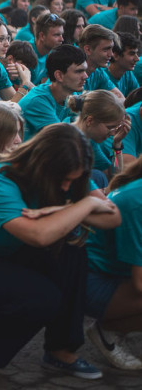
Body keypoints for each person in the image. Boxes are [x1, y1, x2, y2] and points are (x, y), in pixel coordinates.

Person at [0, 124, 120, 377]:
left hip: (11, 252)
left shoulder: (69, 171)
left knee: (72, 249)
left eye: (72, 181)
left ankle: (61, 350)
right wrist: (86, 204)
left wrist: (67, 208)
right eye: (63, 180)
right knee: (43, 298)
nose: (67, 187)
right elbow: (38, 235)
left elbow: (112, 217)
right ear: (42, 165)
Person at [85, 157, 142, 370]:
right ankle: (107, 330)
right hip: (95, 281)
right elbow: (140, 284)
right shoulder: (137, 201)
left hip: (119, 273)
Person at [19, 45, 88, 140]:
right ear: (59, 75)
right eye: (79, 71)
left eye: (85, 70)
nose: (85, 76)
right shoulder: (38, 101)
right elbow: (61, 139)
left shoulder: (71, 95)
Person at [68, 90, 129, 183]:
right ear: (90, 120)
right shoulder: (64, 139)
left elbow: (113, 176)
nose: (113, 133)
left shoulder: (88, 140)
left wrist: (117, 146)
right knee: (97, 176)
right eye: (110, 127)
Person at [79, 24, 123, 99]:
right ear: (88, 50)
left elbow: (120, 98)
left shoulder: (98, 72)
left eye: (111, 49)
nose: (111, 54)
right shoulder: (72, 73)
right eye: (106, 49)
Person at [30, 12, 66, 84]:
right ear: (42, 36)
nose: (62, 39)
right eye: (56, 35)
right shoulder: (25, 53)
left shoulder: (52, 53)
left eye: (62, 34)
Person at [108, 31, 141, 97]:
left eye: (136, 53)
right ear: (116, 55)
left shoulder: (128, 73)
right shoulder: (101, 74)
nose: (137, 59)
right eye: (132, 54)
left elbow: (137, 98)